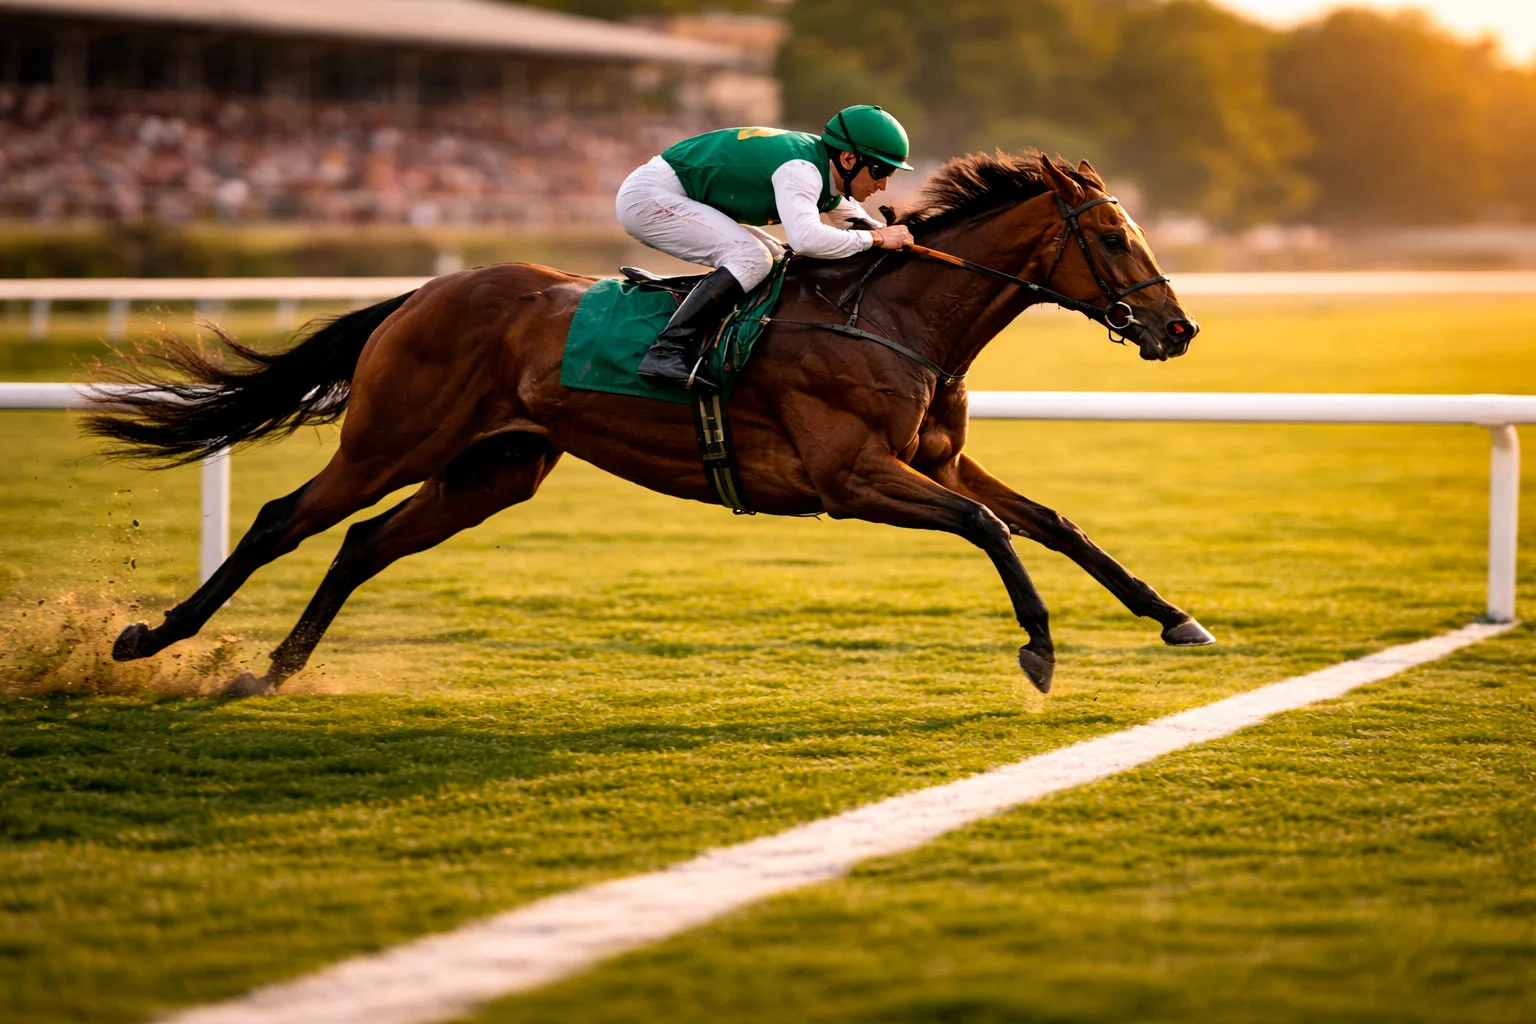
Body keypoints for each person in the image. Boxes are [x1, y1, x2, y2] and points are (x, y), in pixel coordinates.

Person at [615, 105, 917, 389]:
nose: (883, 186)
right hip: (651, 197)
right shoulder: (802, 171)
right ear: (849, 160)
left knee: (775, 256)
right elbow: (807, 240)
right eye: (880, 172)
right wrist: (877, 239)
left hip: (677, 192)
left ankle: (685, 300)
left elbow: (857, 225)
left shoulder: (826, 170)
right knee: (752, 258)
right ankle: (666, 351)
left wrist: (892, 236)